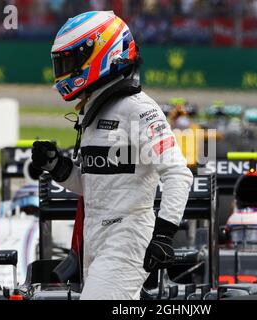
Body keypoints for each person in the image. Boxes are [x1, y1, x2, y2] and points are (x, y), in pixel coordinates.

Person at [31, 11, 193, 300]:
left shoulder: (139, 109)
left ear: (104, 51)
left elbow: (179, 174)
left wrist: (164, 235)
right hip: (96, 238)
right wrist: (58, 166)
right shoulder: (94, 112)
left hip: (128, 239)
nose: (64, 71)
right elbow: (95, 186)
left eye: (70, 62)